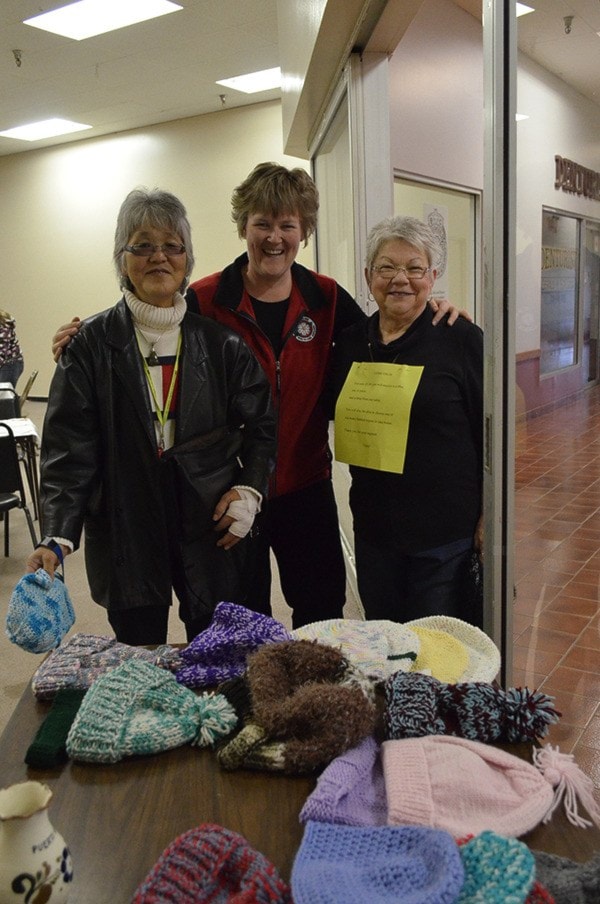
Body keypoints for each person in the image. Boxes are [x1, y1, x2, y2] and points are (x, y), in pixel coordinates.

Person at [52, 163, 465, 630]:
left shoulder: (326, 297)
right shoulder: (207, 298)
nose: (274, 237)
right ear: (243, 227)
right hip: (228, 492)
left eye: (288, 225)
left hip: (305, 486)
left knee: (322, 612)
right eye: (262, 223)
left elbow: (383, 335)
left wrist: (432, 306)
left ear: (303, 232)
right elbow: (150, 314)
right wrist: (84, 334)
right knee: (242, 619)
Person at [28, 188, 276, 645]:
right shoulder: (87, 347)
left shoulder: (222, 345)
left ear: (187, 260)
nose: (158, 257)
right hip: (126, 523)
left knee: (214, 654)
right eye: (142, 245)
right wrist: (57, 534)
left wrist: (249, 490)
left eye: (171, 245)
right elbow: (68, 450)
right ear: (123, 260)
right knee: (139, 657)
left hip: (208, 520)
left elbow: (262, 427)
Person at [330, 215, 483, 626]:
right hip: (375, 530)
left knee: (437, 651)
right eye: (387, 267)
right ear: (368, 276)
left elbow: (494, 433)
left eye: (414, 268)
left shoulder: (460, 338)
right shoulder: (348, 344)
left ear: (432, 277)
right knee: (386, 643)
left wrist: (492, 515)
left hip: (444, 536)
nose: (401, 279)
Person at [0, 309, 24, 388]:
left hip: (10, 363)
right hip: (5, 361)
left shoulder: (4, 327)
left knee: (3, 394)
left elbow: (3, 353)